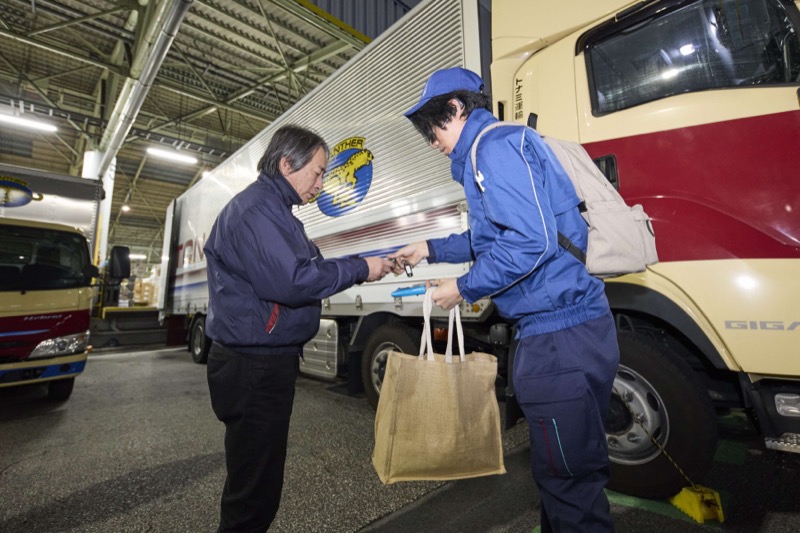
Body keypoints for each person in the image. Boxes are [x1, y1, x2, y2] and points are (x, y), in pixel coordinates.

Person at [390, 68, 620, 532]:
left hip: (557, 338)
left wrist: (464, 287)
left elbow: (529, 243)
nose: (430, 141)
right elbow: (495, 236)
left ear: (456, 108)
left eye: (431, 127)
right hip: (571, 330)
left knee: (568, 485)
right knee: (566, 477)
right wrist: (431, 249)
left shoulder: (491, 149)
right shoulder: (499, 146)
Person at [204, 124, 393, 532]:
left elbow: (307, 270)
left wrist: (363, 264)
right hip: (255, 365)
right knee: (252, 492)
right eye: (319, 171)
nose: (321, 183)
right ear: (286, 163)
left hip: (263, 362)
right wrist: (362, 268)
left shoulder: (275, 211)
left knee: (257, 481)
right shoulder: (257, 211)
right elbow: (291, 281)